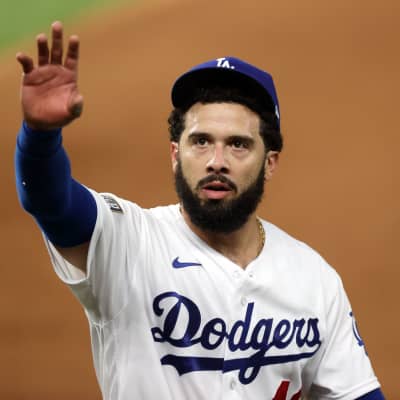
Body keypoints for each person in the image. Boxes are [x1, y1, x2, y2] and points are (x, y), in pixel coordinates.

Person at [15, 21, 385, 400]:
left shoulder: (314, 279)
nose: (216, 161)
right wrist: (40, 137)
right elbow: (51, 202)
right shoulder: (128, 242)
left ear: (269, 163)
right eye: (201, 141)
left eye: (238, 144)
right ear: (176, 154)